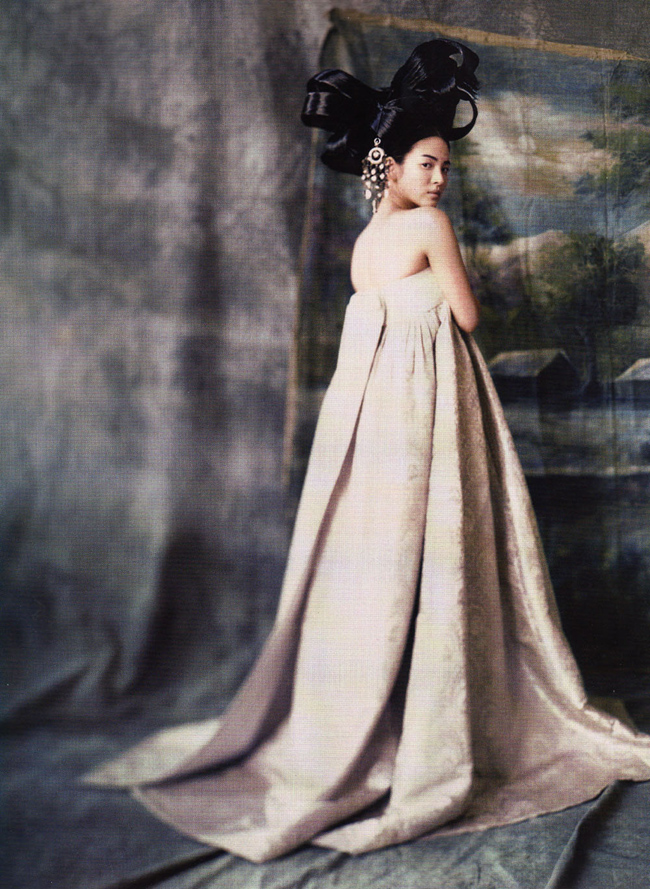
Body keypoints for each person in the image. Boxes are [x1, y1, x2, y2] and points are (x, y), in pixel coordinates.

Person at [84, 39, 650, 864]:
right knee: (444, 549)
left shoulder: (364, 246)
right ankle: (437, 709)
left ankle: (383, 703)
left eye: (446, 167)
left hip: (383, 424)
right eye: (428, 164)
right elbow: (467, 317)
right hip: (430, 412)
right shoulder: (428, 228)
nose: (440, 178)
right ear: (392, 164)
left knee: (389, 560)